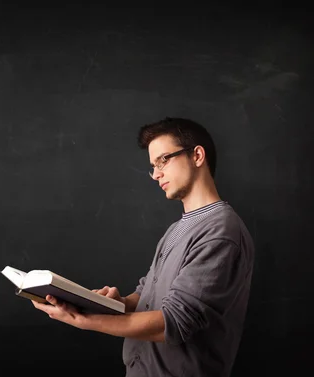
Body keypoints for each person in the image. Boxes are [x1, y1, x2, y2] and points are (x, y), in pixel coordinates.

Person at [32, 117, 255, 377]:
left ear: (197, 155)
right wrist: (117, 304)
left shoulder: (221, 231)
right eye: (153, 166)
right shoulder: (176, 229)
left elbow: (173, 323)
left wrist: (85, 320)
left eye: (164, 160)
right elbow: (147, 296)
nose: (156, 174)